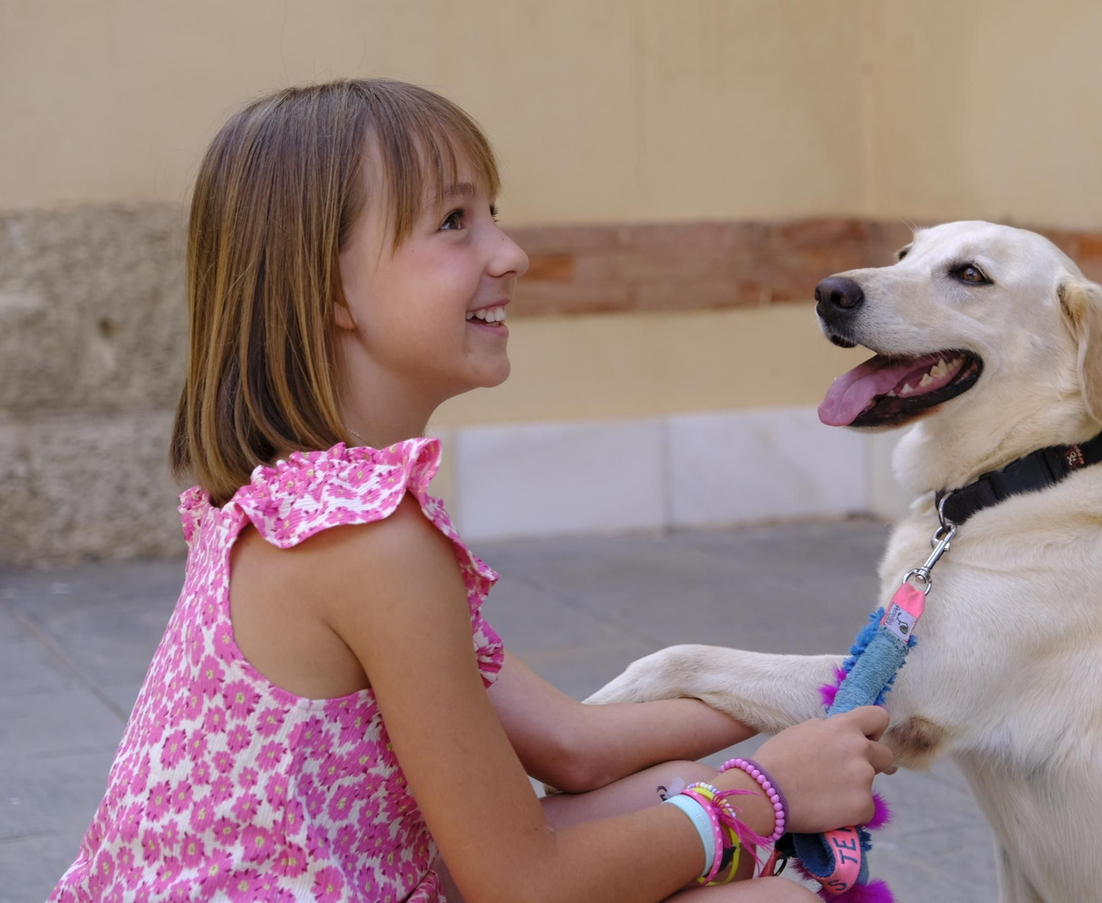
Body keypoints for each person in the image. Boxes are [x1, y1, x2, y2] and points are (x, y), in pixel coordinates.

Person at [50, 78, 892, 903]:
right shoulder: (369, 548)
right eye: (454, 222)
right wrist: (763, 795)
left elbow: (573, 745)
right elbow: (522, 884)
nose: (509, 253)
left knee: (664, 787)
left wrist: (836, 688)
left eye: (491, 212)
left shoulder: (298, 506)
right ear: (330, 288)